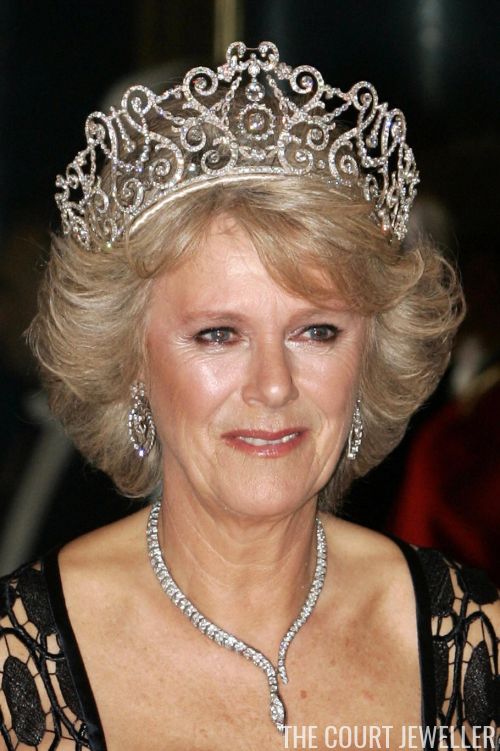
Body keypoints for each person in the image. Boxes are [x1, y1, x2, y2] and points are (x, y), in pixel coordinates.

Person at [0, 41, 498, 751]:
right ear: (131, 362)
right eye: (218, 334)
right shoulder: (15, 665)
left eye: (317, 331)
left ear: (370, 355)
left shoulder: (477, 642)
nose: (273, 384)